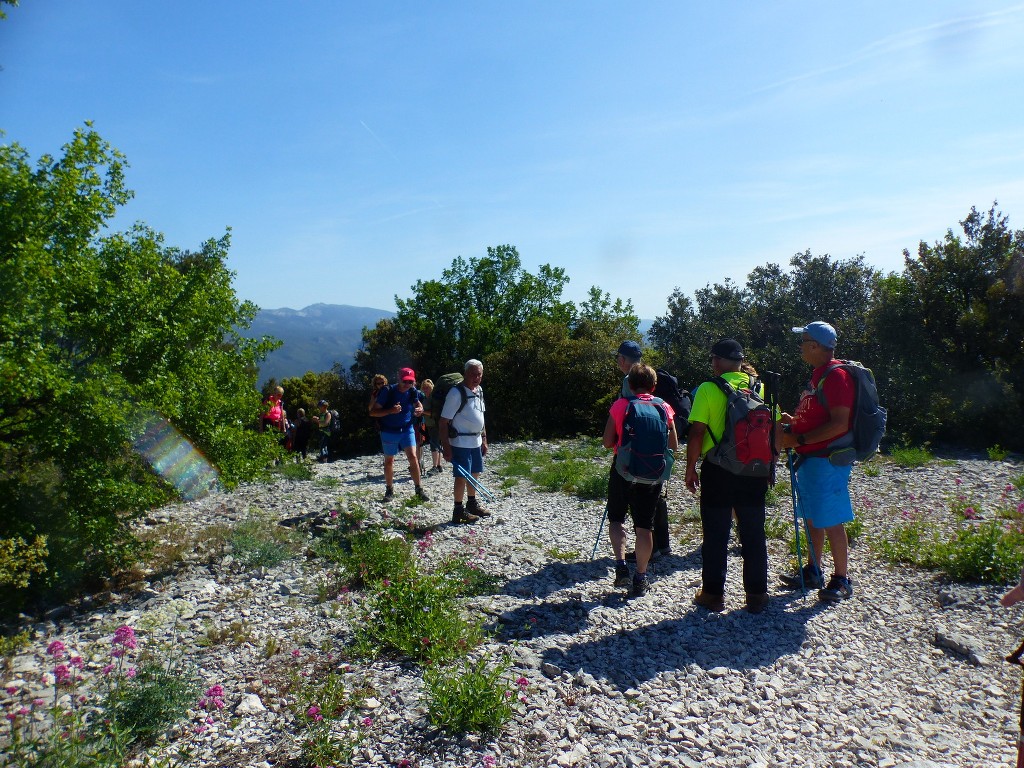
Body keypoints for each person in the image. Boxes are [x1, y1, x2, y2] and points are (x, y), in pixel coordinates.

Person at [684, 339, 771, 614]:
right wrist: (771, 464)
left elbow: (697, 432)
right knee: (754, 533)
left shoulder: (709, 388)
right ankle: (756, 595)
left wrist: (690, 468)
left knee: (716, 534)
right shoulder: (759, 387)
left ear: (717, 361)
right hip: (754, 470)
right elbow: (772, 425)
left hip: (718, 469)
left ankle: (713, 594)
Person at [778, 321, 856, 602]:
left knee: (831, 518)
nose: (800, 347)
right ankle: (814, 570)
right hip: (812, 458)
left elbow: (839, 424)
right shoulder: (819, 376)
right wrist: (795, 422)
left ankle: (842, 579)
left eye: (804, 341)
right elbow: (820, 416)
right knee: (812, 516)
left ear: (814, 346)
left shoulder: (836, 377)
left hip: (827, 460)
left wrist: (798, 440)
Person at [603, 363, 678, 597]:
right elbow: (673, 445)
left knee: (616, 520)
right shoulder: (664, 407)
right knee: (644, 528)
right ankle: (641, 577)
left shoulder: (620, 406)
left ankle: (621, 567)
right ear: (654, 386)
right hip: (652, 476)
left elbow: (607, 442)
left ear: (630, 385)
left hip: (623, 471)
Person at [613, 340, 673, 561]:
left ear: (622, 360)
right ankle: (662, 545)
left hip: (634, 451)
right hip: (657, 450)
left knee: (636, 502)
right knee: (656, 497)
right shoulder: (650, 376)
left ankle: (651, 550)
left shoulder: (629, 380)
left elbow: (626, 416)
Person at [440, 359, 489, 524]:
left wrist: (484, 438)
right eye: (473, 374)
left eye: (479, 374)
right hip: (460, 442)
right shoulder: (456, 393)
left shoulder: (479, 390)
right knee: (461, 476)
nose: (476, 377)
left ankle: (472, 504)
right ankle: (458, 510)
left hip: (475, 441)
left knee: (474, 472)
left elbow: (481, 417)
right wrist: (446, 448)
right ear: (465, 374)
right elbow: (443, 421)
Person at [370, 368, 430, 502]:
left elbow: (417, 402)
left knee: (413, 457)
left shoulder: (412, 390)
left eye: (411, 382)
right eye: (405, 381)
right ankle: (389, 489)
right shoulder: (387, 391)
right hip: (389, 431)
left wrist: (420, 408)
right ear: (399, 379)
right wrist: (391, 410)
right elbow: (373, 412)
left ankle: (418, 489)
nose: (407, 385)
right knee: (389, 460)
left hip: (407, 429)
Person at [420, 378, 444, 474]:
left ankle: (435, 466)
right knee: (437, 444)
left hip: (434, 424)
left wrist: (422, 412)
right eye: (424, 388)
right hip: (431, 424)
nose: (426, 390)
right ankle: (439, 465)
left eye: (428, 388)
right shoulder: (426, 398)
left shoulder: (432, 398)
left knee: (434, 445)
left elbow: (434, 412)